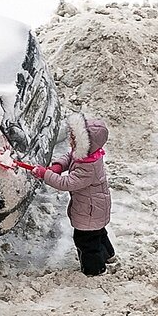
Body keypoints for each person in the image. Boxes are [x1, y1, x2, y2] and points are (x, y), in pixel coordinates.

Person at [31, 113, 115, 276]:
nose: (71, 142)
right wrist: (58, 166)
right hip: (95, 208)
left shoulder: (88, 168)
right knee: (98, 233)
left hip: (90, 211)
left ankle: (95, 269)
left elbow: (66, 183)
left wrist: (45, 174)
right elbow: (70, 157)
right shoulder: (88, 154)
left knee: (86, 241)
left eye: (74, 140)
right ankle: (108, 255)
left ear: (86, 144)